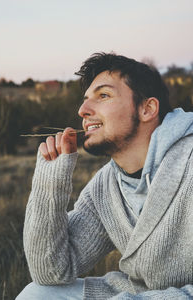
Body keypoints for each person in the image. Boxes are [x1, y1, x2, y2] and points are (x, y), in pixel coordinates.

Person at [16, 53, 193, 299]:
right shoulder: (105, 187)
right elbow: (50, 272)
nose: (83, 110)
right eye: (85, 100)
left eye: (104, 95)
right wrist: (50, 184)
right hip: (138, 292)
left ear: (147, 109)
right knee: (37, 294)